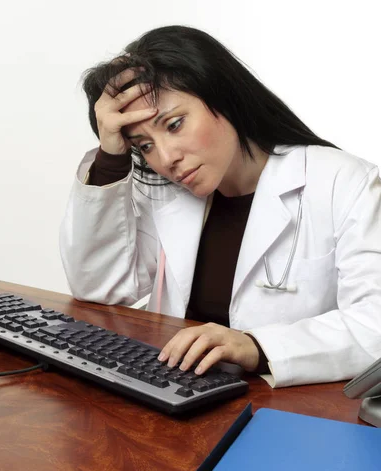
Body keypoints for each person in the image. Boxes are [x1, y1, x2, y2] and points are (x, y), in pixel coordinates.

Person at [60, 25, 381, 388]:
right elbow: (98, 286)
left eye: (175, 124)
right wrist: (111, 156)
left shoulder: (344, 182)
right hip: (175, 396)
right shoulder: (164, 192)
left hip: (283, 410)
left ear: (223, 96)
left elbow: (375, 325)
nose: (166, 158)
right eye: (144, 145)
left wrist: (257, 346)